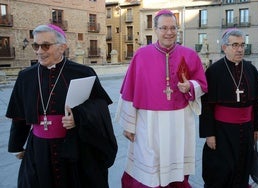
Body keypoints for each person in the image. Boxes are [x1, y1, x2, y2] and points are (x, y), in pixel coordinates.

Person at [6, 24, 118, 188]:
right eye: (35, 45)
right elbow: (19, 114)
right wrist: (16, 145)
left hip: (74, 148)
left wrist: (78, 117)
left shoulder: (83, 72)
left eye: (45, 45)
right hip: (39, 149)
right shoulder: (26, 76)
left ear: (62, 47)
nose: (39, 51)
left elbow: (99, 106)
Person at [115, 9, 208, 188]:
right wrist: (129, 125)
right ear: (155, 30)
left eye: (173, 28)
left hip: (178, 121)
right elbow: (129, 90)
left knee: (176, 166)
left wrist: (190, 86)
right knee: (149, 166)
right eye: (164, 28)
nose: (169, 32)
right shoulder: (141, 55)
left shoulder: (190, 55)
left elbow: (202, 84)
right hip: (148, 122)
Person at [199, 29, 258, 188]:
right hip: (222, 131)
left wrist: (257, 127)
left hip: (247, 128)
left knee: (243, 167)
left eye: (242, 45)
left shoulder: (250, 69)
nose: (240, 49)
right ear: (224, 47)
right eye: (235, 45)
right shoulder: (214, 71)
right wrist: (209, 134)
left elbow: (255, 102)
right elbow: (207, 105)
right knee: (222, 170)